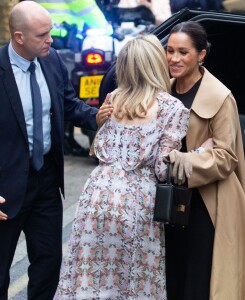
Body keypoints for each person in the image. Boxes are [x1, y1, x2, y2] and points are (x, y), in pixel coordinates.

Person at [54, 34, 190, 299]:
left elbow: (99, 148)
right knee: (132, 280)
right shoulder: (172, 108)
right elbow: (163, 169)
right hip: (137, 201)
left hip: (97, 196)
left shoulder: (113, 98)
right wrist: (197, 153)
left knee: (88, 277)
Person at [0, 1, 102, 299]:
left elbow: (68, 104)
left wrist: (98, 116)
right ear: (19, 37)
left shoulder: (52, 60)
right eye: (42, 35)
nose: (51, 40)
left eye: (50, 32)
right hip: (5, 188)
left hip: (45, 181)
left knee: (48, 263)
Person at [164, 21, 245, 299]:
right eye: (170, 50)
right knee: (169, 275)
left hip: (206, 204)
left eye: (184, 52)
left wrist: (186, 161)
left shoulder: (220, 97)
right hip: (168, 200)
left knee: (197, 281)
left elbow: (226, 157)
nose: (174, 58)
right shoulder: (164, 89)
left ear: (201, 55)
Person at [36, 0, 113, 157]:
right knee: (64, 94)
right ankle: (64, 139)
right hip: (64, 45)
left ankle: (66, 139)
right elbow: (97, 20)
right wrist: (109, 27)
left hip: (48, 44)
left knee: (59, 95)